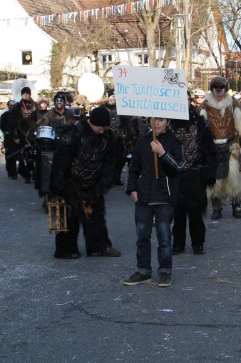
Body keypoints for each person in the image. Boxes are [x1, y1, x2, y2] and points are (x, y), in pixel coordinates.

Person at [49, 107, 121, 259]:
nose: (101, 130)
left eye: (104, 128)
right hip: (71, 182)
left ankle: (99, 246)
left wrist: (104, 182)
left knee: (96, 217)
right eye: (99, 127)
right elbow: (60, 161)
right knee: (69, 218)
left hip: (93, 183)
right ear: (91, 122)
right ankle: (66, 250)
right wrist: (58, 186)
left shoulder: (106, 136)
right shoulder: (73, 133)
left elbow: (110, 160)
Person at [124, 117, 185, 287]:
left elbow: (179, 168)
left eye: (161, 120)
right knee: (142, 237)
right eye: (154, 119)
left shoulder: (174, 142)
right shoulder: (143, 141)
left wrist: (162, 153)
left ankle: (165, 271)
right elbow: (134, 168)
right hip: (143, 197)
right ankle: (143, 271)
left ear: (168, 122)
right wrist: (132, 190)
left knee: (164, 237)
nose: (157, 123)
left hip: (165, 197)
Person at [199, 76, 241, 217]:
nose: (218, 90)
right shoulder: (205, 105)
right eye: (216, 87)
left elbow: (240, 125)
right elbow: (201, 128)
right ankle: (217, 207)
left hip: (231, 144)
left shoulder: (233, 103)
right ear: (212, 89)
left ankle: (236, 206)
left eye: (221, 87)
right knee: (214, 179)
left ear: (225, 88)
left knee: (234, 176)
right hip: (213, 146)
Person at [170, 105, 217, 255]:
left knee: (195, 212)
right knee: (177, 213)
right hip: (174, 173)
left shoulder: (199, 124)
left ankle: (198, 243)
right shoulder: (168, 124)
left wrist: (207, 173)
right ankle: (178, 243)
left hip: (195, 173)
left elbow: (209, 149)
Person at [0, 87, 36, 181]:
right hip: (21, 134)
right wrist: (15, 135)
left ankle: (32, 173)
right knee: (22, 156)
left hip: (32, 133)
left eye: (27, 93)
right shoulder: (18, 105)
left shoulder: (34, 105)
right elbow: (14, 122)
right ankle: (25, 175)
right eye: (24, 93)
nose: (25, 95)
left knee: (32, 155)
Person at [98, 90, 127, 185]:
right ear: (108, 96)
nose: (114, 98)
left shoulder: (122, 108)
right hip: (105, 136)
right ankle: (104, 178)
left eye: (115, 96)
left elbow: (126, 122)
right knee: (105, 158)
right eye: (112, 96)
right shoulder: (102, 108)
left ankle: (117, 177)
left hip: (118, 136)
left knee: (119, 158)